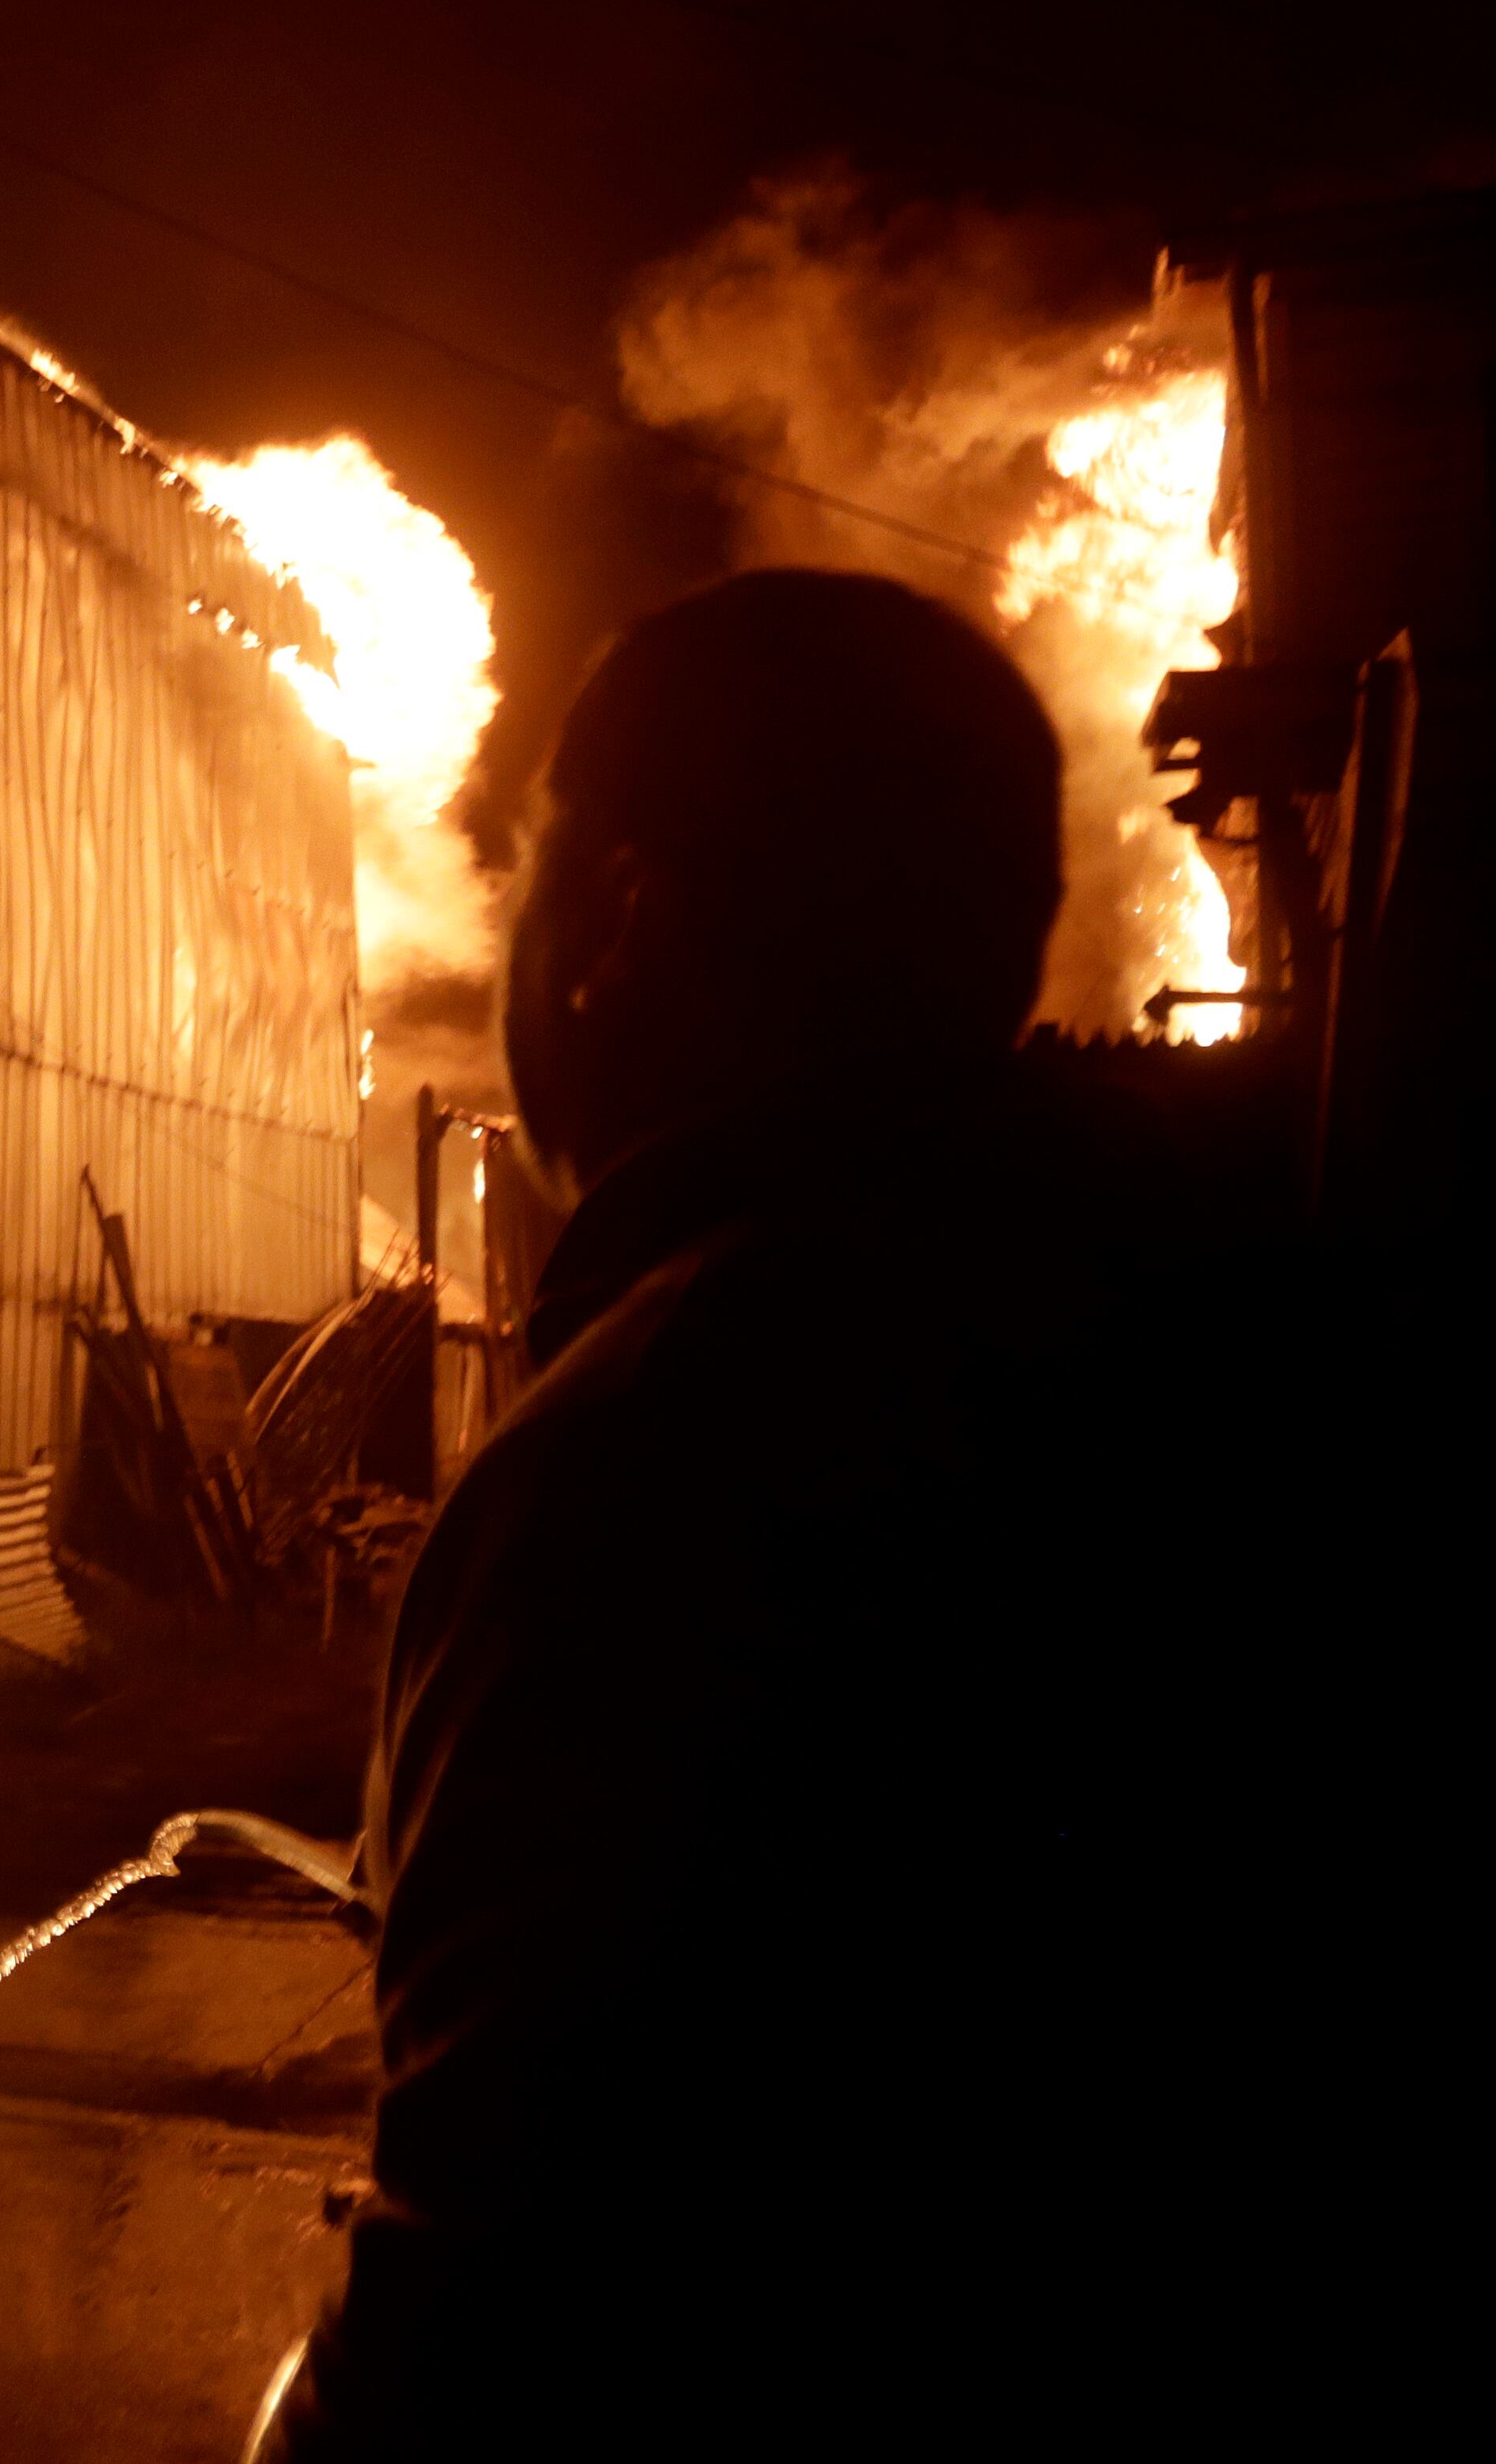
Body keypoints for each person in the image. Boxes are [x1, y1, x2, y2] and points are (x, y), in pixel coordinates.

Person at [257, 570, 1307, 2461]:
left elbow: (491, 2326)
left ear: (622, 917)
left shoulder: (651, 1447)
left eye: (533, 882)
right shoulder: (1208, 1342)